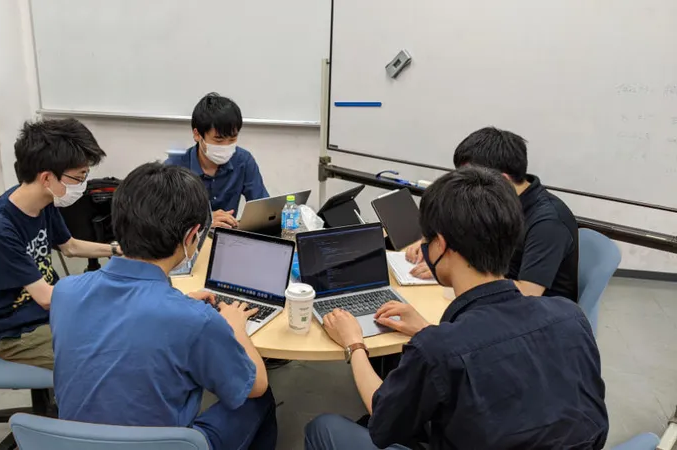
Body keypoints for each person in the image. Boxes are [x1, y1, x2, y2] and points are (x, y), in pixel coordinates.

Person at [305, 167, 607, 450]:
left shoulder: (436, 349)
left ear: (440, 245)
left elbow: (383, 418)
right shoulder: (571, 316)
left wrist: (354, 344)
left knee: (322, 427)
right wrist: (427, 331)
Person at [50, 162, 277, 450]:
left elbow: (125, 326)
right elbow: (255, 386)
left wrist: (180, 305)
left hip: (74, 443)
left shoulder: (65, 292)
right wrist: (235, 327)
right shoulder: (197, 320)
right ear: (192, 236)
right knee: (260, 399)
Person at [0, 119, 117, 370]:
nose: (82, 185)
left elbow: (70, 247)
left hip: (47, 311)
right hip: (18, 332)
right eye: (79, 177)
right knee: (109, 360)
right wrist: (108, 288)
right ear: (47, 178)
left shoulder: (42, 202)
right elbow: (46, 297)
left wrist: (117, 250)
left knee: (121, 328)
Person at [406, 127, 579, 301]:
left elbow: (528, 293)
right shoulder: (495, 203)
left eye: (471, 180)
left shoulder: (548, 223)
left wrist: (455, 270)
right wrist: (433, 244)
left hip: (529, 311)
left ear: (502, 180)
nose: (465, 187)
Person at [166, 92, 269, 229]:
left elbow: (263, 208)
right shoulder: (174, 167)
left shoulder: (243, 161)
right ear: (197, 135)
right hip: (191, 237)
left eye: (232, 139)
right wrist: (204, 221)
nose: (226, 146)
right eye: (218, 140)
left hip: (228, 236)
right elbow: (161, 219)